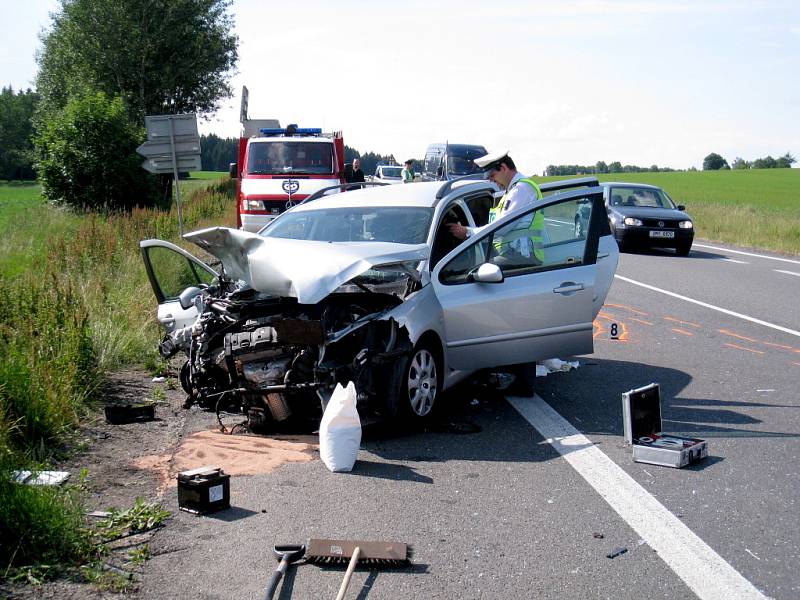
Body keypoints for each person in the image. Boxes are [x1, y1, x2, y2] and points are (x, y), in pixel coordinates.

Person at [447, 150, 542, 240]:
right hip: (515, 252)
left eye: (492, 176)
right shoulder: (512, 190)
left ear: (503, 168)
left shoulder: (521, 189)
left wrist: (468, 232)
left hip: (521, 254)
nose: (492, 181)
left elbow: (501, 227)